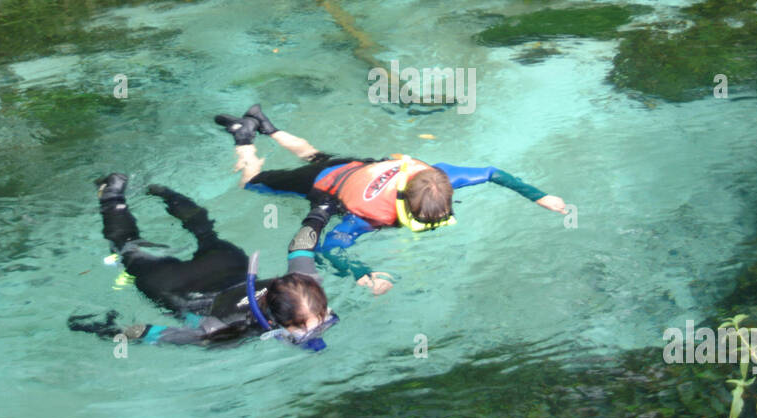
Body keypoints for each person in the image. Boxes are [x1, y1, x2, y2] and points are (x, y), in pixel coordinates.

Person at [213, 104, 568, 296]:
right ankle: (243, 136)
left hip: (357, 167)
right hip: (324, 185)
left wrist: (539, 196)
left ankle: (266, 124)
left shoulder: (440, 176)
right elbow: (326, 250)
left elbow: (492, 172)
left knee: (313, 152)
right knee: (253, 183)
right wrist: (362, 274)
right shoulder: (366, 218)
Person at [68, 173, 338, 350]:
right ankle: (111, 196)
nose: (316, 331)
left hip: (225, 265)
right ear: (278, 322)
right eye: (302, 329)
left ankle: (157, 191)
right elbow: (146, 332)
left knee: (204, 230)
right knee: (126, 248)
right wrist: (103, 329)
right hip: (176, 288)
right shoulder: (221, 331)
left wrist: (320, 212)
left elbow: (301, 247)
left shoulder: (304, 282)